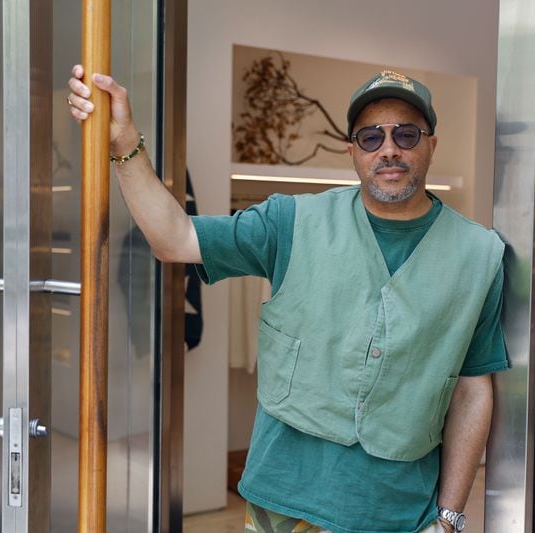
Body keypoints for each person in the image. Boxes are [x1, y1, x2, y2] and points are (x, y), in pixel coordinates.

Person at [68, 66, 508, 533]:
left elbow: (472, 387)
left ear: (431, 145)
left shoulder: (479, 255)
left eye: (406, 134)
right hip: (282, 504)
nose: (389, 149)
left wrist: (450, 517)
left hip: (398, 512)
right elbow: (173, 239)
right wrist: (125, 143)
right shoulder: (290, 221)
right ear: (352, 152)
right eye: (370, 138)